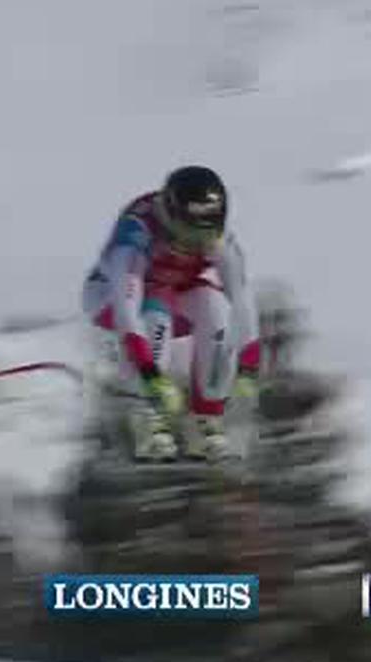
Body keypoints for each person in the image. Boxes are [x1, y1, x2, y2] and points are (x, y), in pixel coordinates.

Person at [82, 166, 261, 461]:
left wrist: (248, 369)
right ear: (169, 218)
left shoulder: (219, 239)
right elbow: (128, 310)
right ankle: (149, 421)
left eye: (205, 236)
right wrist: (150, 374)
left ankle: (206, 422)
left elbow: (242, 300)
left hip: (173, 292)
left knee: (215, 307)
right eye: (188, 234)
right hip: (111, 297)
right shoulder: (136, 234)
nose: (195, 245)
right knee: (156, 307)